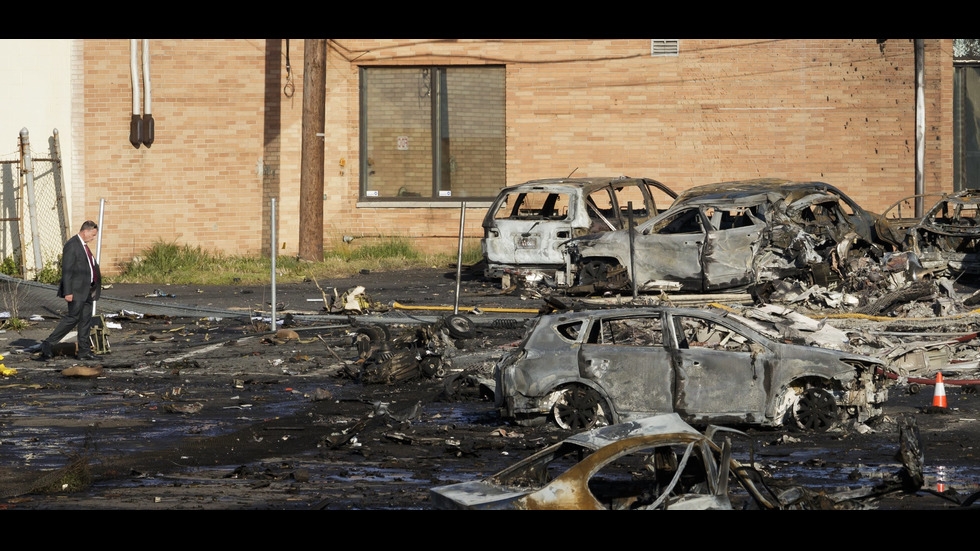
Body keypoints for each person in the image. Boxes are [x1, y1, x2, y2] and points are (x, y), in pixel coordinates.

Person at [39, 220, 102, 361]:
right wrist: (68, 291)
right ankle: (48, 343)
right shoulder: (72, 245)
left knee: (85, 320)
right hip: (76, 290)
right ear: (85, 231)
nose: (93, 238)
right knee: (73, 318)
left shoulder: (83, 246)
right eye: (93, 234)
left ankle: (84, 351)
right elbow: (66, 271)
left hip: (88, 290)